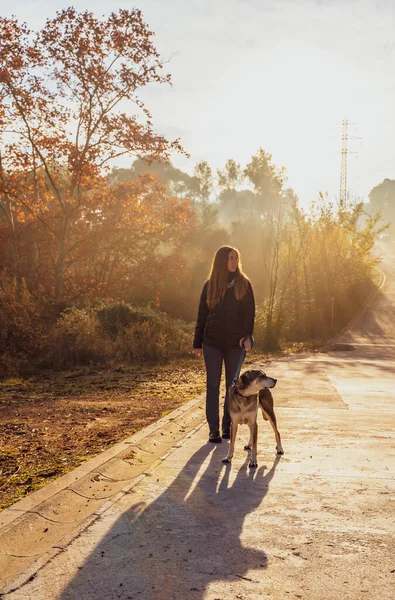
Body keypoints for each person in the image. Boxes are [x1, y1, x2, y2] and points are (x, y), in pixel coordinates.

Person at [193, 245, 255, 443]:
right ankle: (213, 430)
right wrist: (197, 343)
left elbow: (249, 314)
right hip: (212, 343)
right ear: (221, 261)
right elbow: (202, 315)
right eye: (230, 258)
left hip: (234, 344)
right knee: (212, 386)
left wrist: (247, 336)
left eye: (236, 258)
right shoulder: (209, 285)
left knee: (232, 386)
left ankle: (227, 426)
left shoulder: (244, 284)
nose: (234, 262)